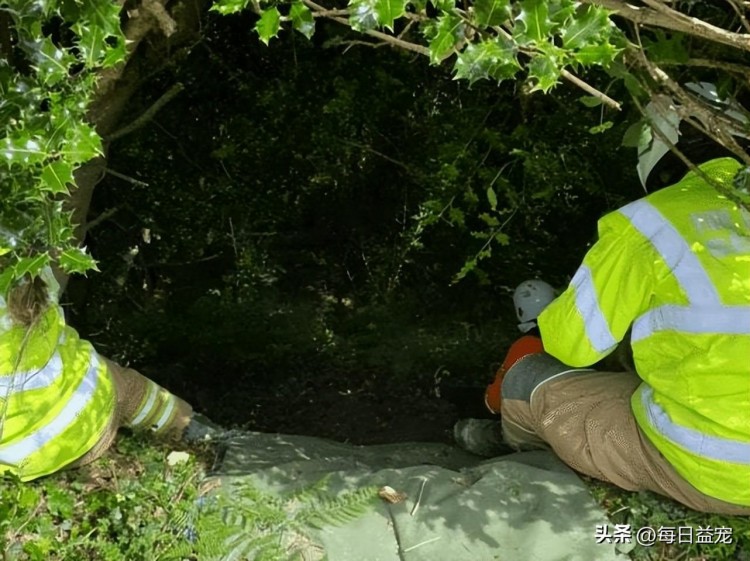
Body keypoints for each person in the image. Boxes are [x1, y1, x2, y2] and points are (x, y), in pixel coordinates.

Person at [461, 156, 750, 515]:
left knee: (525, 378)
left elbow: (572, 346)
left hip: (719, 474)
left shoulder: (655, 220)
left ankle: (517, 455)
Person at [0, 266, 219, 482]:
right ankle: (192, 430)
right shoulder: (21, 262)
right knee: (122, 381)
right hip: (85, 424)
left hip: (16, 460)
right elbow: (61, 264)